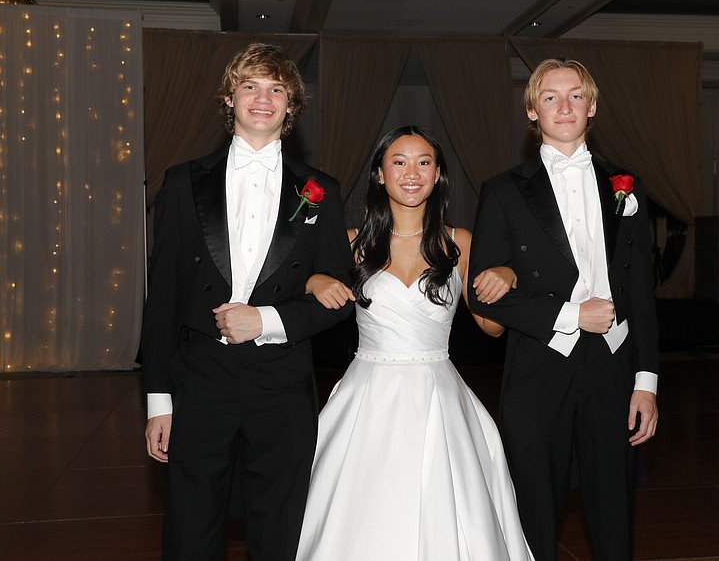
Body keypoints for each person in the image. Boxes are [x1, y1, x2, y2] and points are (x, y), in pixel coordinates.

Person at [141, 42, 353, 561]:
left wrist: (267, 320)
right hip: (200, 378)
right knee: (191, 524)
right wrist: (157, 401)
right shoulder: (183, 182)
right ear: (230, 98)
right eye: (251, 86)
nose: (264, 98)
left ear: (291, 105)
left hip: (281, 381)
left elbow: (340, 298)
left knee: (280, 524)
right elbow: (162, 296)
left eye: (277, 89)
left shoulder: (319, 190)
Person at [295, 125, 534, 561]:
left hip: (438, 394)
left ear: (438, 174)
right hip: (366, 393)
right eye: (399, 162)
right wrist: (315, 280)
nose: (411, 172)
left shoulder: (460, 243)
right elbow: (304, 285)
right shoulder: (350, 243)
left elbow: (492, 328)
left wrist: (508, 276)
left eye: (424, 162)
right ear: (380, 176)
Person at [467, 58, 660, 560]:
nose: (564, 106)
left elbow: (641, 293)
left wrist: (646, 384)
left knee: (613, 507)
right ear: (532, 111)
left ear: (592, 106)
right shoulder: (503, 190)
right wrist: (572, 316)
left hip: (613, 368)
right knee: (534, 508)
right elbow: (486, 292)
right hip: (537, 366)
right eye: (550, 97)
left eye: (575, 95)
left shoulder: (627, 186)